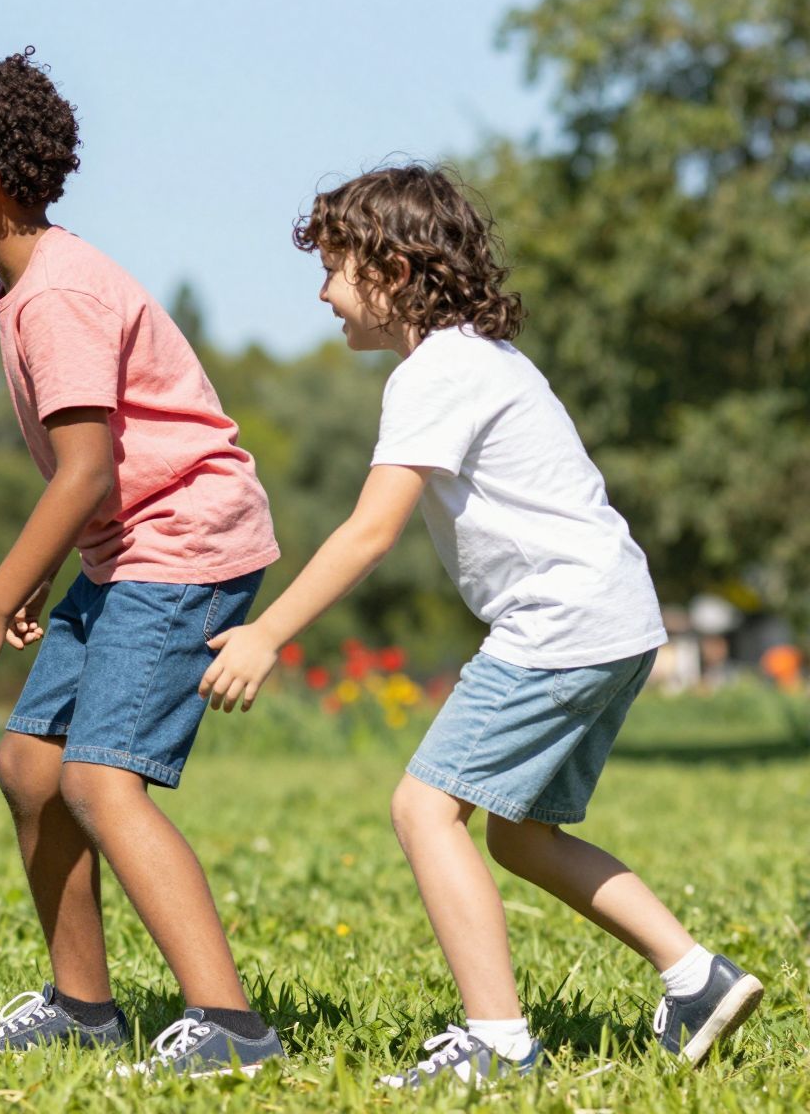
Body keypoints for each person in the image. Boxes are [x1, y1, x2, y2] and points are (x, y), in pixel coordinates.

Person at [200, 164, 764, 1087]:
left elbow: (370, 531)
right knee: (521, 835)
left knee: (423, 808)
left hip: (559, 620)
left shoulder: (435, 373)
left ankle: (496, 1044)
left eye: (336, 268)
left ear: (394, 271)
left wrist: (269, 632)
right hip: (615, 616)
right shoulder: (487, 360)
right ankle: (697, 977)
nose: (323, 292)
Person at [0, 49, 287, 1077]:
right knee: (30, 766)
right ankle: (83, 1008)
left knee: (100, 781)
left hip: (183, 543)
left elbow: (85, 469)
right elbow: (97, 478)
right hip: (127, 546)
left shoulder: (56, 296)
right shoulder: (31, 286)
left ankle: (230, 1028)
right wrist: (47, 579)